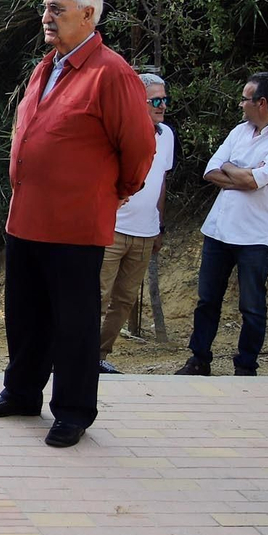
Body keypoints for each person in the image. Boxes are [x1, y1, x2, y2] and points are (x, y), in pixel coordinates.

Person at [0, 0, 155, 448]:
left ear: (88, 15)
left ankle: (73, 410)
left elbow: (138, 148)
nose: (46, 17)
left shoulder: (111, 73)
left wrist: (114, 192)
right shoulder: (46, 65)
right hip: (27, 216)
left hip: (77, 223)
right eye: (46, 8)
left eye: (58, 9)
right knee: (25, 313)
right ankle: (22, 392)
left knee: (73, 320)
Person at [176, 72, 268, 376]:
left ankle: (246, 366)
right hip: (219, 230)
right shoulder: (239, 131)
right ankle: (199, 359)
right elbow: (211, 172)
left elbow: (254, 182)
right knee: (207, 300)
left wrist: (234, 170)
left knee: (252, 306)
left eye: (245, 99)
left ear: (262, 102)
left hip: (256, 236)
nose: (240, 104)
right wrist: (241, 173)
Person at [98, 74, 176, 373]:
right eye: (156, 100)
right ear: (136, 101)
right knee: (97, 296)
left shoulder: (166, 135)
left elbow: (161, 182)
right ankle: (73, 355)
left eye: (165, 99)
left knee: (125, 299)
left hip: (145, 231)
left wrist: (159, 225)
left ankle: (98, 355)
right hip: (113, 229)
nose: (163, 105)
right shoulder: (118, 132)